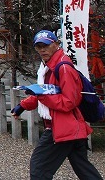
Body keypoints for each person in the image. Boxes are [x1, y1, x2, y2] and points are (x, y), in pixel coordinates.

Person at [11, 29, 103, 180]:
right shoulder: (48, 67)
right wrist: (23, 106)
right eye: (38, 46)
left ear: (56, 44)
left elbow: (69, 102)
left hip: (62, 127)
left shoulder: (63, 68)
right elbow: (46, 92)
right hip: (71, 127)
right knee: (85, 171)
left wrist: (40, 97)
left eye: (46, 45)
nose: (42, 50)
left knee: (39, 167)